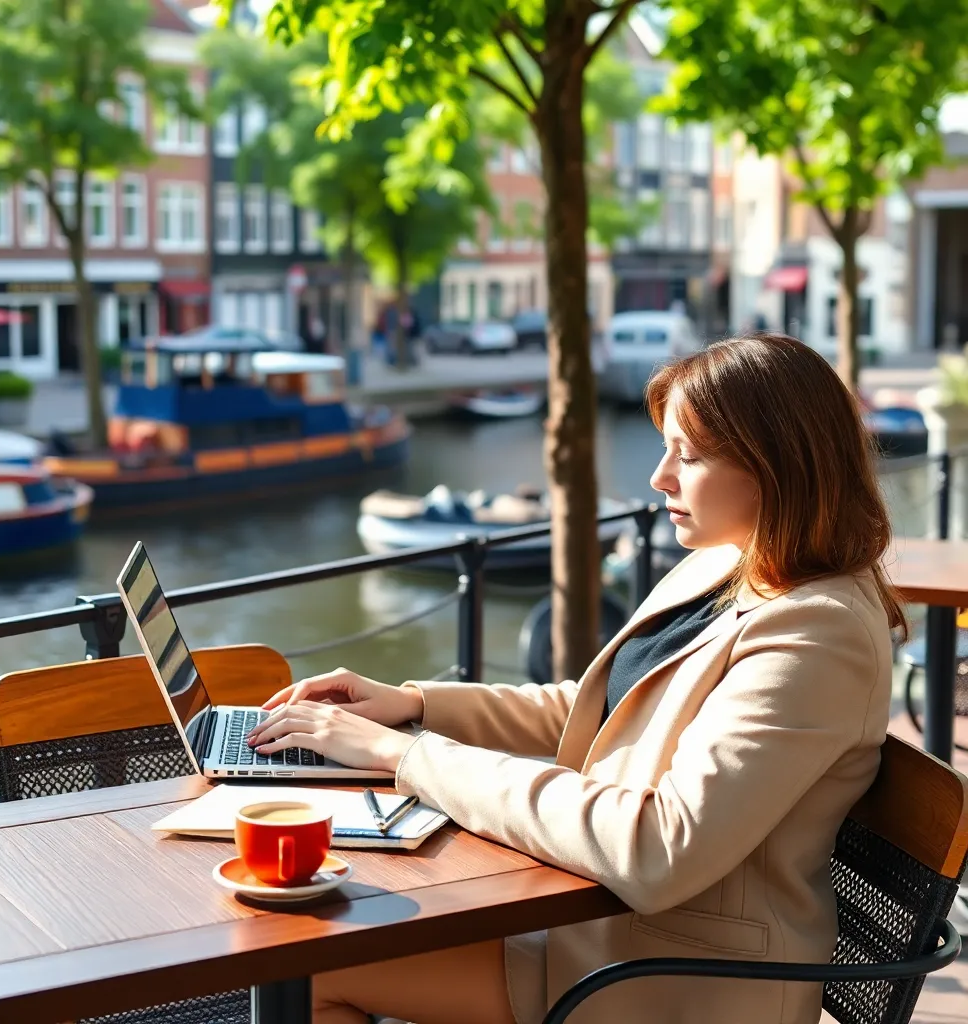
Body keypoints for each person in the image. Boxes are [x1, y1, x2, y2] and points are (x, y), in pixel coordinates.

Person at [248, 333, 904, 1024]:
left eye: (689, 454)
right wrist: (413, 705)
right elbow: (605, 709)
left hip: (669, 981)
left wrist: (403, 755)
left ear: (777, 466)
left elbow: (659, 846)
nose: (660, 477)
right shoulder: (734, 561)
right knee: (315, 945)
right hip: (607, 929)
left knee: (310, 968)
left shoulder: (818, 633)